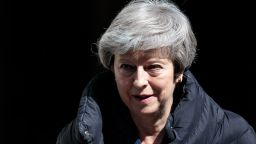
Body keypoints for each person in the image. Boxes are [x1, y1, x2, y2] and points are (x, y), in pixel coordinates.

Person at [56, 0, 256, 143]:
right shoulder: (80, 135)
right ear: (113, 70)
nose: (139, 81)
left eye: (153, 67)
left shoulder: (230, 135)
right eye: (127, 67)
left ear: (178, 71)